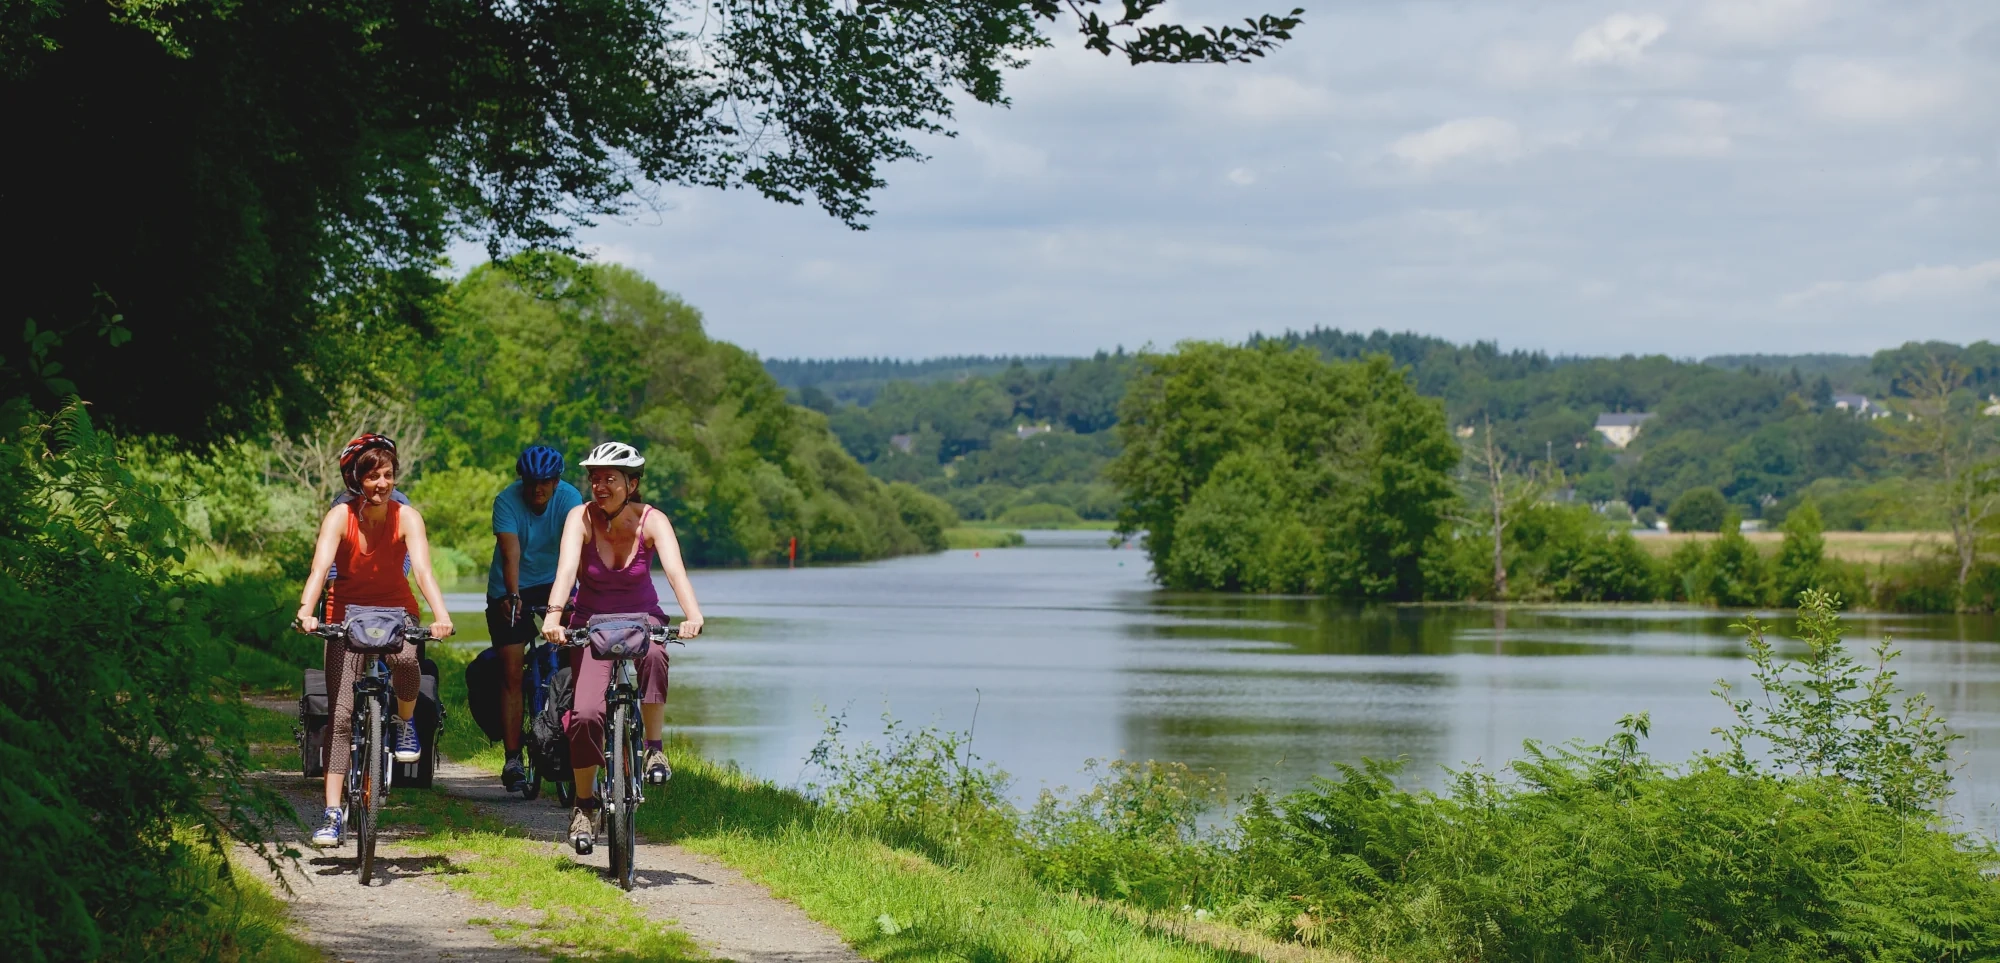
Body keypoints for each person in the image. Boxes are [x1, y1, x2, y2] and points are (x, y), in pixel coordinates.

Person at [540, 441, 705, 854]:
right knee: (586, 715)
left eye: (610, 479)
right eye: (594, 478)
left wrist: (692, 615)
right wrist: (554, 616)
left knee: (654, 653)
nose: (600, 485)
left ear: (631, 484)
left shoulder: (653, 521)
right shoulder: (579, 518)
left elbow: (675, 571)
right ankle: (584, 804)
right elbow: (564, 571)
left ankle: (653, 750)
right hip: (590, 624)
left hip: (641, 619)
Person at [295, 434, 456, 847]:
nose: (381, 483)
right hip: (344, 616)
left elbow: (423, 572)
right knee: (342, 715)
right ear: (355, 480)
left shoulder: (408, 517)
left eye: (387, 475)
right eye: (372, 476)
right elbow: (319, 570)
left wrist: (441, 616)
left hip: (396, 612)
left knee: (405, 663)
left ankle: (404, 723)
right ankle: (333, 812)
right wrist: (306, 611)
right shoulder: (339, 518)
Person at [486, 445, 583, 792]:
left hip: (557, 582)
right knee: (511, 670)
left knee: (576, 658)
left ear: (557, 482)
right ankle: (513, 758)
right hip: (510, 586)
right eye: (531, 482)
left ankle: (573, 739)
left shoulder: (571, 498)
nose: (537, 489)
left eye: (544, 483)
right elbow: (510, 553)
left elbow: (578, 550)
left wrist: (577, 596)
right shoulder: (506, 501)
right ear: (522, 481)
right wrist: (512, 596)